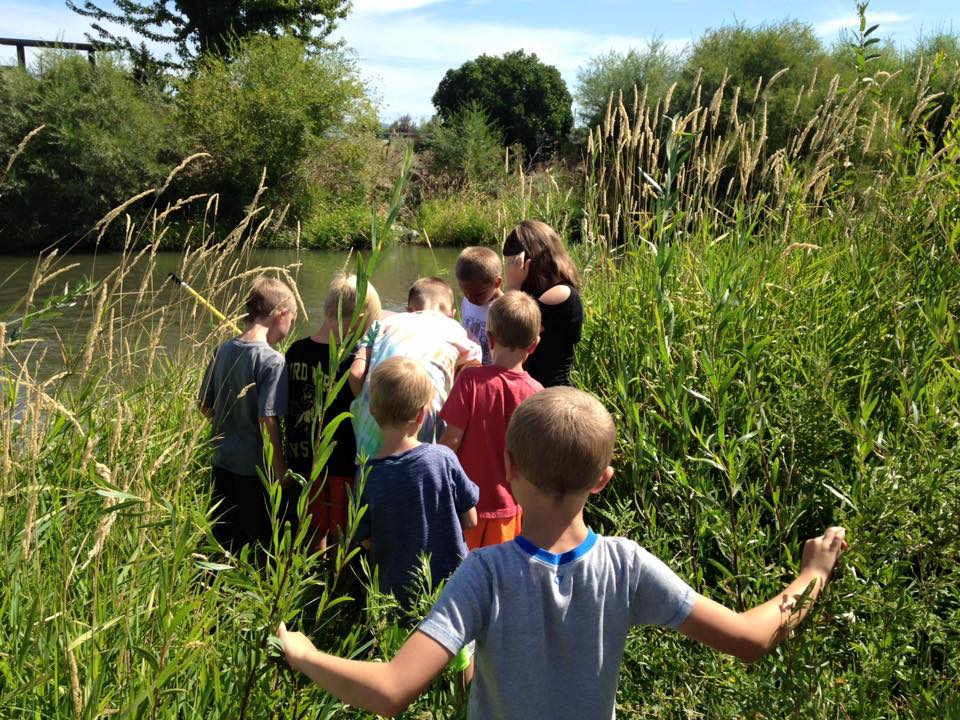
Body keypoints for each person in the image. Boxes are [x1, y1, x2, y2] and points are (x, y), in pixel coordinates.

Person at [278, 386, 848, 720]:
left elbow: (390, 692)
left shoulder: (485, 572)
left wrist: (304, 653)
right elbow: (750, 639)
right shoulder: (625, 564)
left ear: (508, 470)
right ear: (602, 480)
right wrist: (811, 575)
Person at [354, 356, 479, 609]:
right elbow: (471, 519)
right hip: (450, 593)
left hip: (393, 599)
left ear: (372, 410)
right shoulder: (443, 458)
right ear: (422, 413)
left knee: (399, 649)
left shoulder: (366, 475)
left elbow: (366, 540)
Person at [199, 276, 297, 552]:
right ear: (282, 314)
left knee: (225, 537)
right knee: (258, 542)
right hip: (256, 469)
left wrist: (229, 426)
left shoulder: (223, 349)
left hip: (222, 460)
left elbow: (204, 405)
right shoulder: (273, 360)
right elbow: (267, 419)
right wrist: (280, 470)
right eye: (292, 320)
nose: (290, 327)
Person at [439, 291, 543, 549]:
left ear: (489, 338)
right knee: (500, 580)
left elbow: (449, 444)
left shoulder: (470, 381)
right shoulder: (538, 394)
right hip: (510, 508)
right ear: (534, 345)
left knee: (463, 575)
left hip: (465, 506)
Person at [285, 273, 381, 550]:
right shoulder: (356, 362)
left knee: (311, 532)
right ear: (364, 316)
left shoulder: (295, 351)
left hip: (302, 459)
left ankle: (308, 585)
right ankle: (336, 585)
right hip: (343, 463)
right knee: (342, 535)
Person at [349, 277, 482, 461]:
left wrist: (370, 406)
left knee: (369, 482)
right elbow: (473, 373)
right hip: (421, 426)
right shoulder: (456, 330)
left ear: (409, 310)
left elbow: (355, 375)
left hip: (373, 426)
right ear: (452, 314)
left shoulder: (383, 324)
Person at [502, 220, 583, 387]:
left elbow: (510, 334)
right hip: (534, 390)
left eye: (512, 263)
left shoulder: (561, 293)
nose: (509, 268)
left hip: (550, 394)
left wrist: (512, 286)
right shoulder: (537, 294)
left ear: (528, 262)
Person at [454, 246, 503, 366]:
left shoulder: (504, 308)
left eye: (478, 294)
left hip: (490, 370)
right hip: (468, 368)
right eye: (465, 292)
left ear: (497, 283)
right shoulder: (468, 299)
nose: (470, 298)